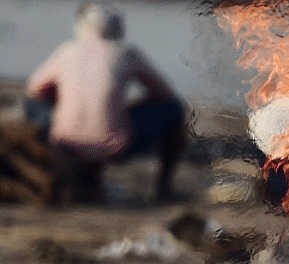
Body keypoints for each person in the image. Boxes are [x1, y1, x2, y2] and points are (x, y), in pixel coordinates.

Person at [24, 2, 186, 203]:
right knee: (174, 109)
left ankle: (69, 171)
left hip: (63, 143)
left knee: (31, 104)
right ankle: (163, 188)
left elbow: (34, 89)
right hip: (114, 146)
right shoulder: (127, 52)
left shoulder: (67, 51)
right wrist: (128, 106)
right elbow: (165, 94)